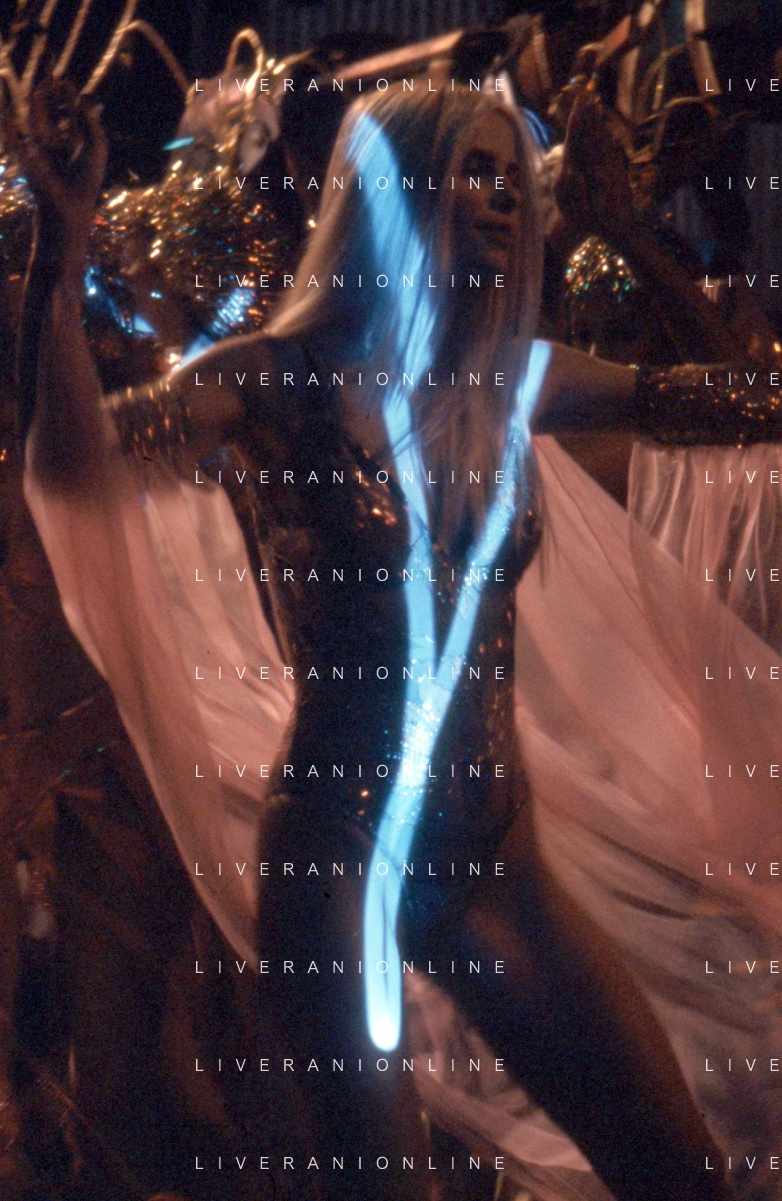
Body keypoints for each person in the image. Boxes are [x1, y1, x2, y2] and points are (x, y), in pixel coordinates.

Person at [17, 76, 779, 1201]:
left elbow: (716, 402)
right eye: (472, 171)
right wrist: (62, 251)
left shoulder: (505, 383)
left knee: (680, 1176)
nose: (505, 196)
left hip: (496, 861)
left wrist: (643, 247)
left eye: (512, 175)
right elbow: (73, 466)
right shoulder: (276, 379)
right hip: (339, 859)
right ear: (398, 193)